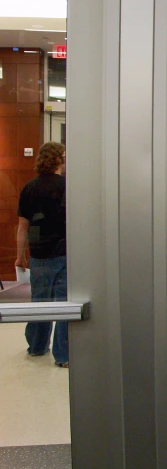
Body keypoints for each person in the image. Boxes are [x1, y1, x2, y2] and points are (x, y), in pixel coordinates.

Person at [16, 142, 69, 368]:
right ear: (58, 160)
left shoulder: (29, 188)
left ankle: (37, 346)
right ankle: (63, 355)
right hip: (64, 251)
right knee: (65, 305)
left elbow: (23, 227)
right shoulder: (67, 187)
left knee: (39, 301)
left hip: (38, 253)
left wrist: (20, 256)